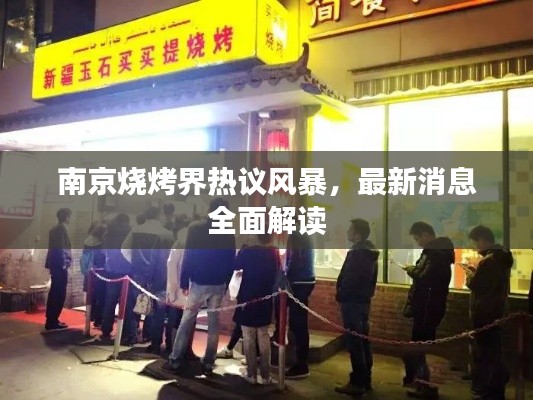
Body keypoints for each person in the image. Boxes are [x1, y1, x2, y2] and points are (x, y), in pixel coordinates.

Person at [164, 198, 236, 376]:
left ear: (210, 209)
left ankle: (175, 359)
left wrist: (184, 281)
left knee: (187, 320)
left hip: (199, 282)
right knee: (214, 324)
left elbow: (189, 256)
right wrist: (226, 284)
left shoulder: (196, 228)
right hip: (218, 283)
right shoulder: (227, 232)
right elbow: (231, 261)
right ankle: (209, 363)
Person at [402, 221, 454, 399]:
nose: (417, 243)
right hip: (427, 306)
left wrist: (411, 269)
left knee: (419, 347)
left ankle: (425, 386)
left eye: (418, 239)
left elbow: (425, 277)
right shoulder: (437, 253)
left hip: (427, 307)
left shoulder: (436, 254)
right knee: (419, 347)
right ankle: (421, 384)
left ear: (426, 234)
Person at [466, 226, 513, 400]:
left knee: (486, 354)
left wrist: (469, 275)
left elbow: (475, 285)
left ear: (483, 239)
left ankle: (489, 391)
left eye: (476, 242)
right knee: (494, 352)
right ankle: (496, 390)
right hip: (497, 311)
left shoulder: (488, 261)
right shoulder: (503, 258)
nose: (476, 247)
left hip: (484, 312)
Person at [334, 219, 379, 397]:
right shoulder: (368, 252)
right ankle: (365, 378)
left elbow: (351, 279)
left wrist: (341, 294)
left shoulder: (358, 253)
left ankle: (358, 382)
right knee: (363, 340)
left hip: (352, 302)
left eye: (350, 229)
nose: (347, 232)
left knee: (355, 342)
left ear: (358, 234)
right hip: (362, 301)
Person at [121, 207, 174, 346]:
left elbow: (124, 248)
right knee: (154, 306)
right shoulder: (165, 232)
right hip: (158, 273)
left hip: (138, 271)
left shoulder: (135, 230)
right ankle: (148, 335)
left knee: (134, 303)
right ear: (159, 215)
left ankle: (131, 335)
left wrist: (134, 261)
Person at [235, 233, 279, 385]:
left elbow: (235, 266)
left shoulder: (247, 252)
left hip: (247, 298)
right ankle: (266, 376)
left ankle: (251, 374)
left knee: (248, 337)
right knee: (263, 336)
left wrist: (243, 246)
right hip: (266, 298)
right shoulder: (273, 252)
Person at [273, 228, 315, 379]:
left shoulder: (296, 235)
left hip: (298, 282)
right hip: (306, 280)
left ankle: (301, 364)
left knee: (298, 324)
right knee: (297, 322)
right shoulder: (305, 234)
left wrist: (286, 278)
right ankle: (281, 337)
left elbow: (295, 259)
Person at [100, 214, 131, 341]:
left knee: (110, 301)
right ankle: (125, 333)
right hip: (127, 271)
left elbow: (103, 251)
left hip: (111, 270)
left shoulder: (108, 232)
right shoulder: (130, 231)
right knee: (127, 303)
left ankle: (106, 330)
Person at [44, 208, 72, 331]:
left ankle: (51, 319)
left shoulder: (54, 229)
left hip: (54, 264)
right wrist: (64, 264)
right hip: (60, 265)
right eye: (69, 216)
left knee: (54, 292)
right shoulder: (61, 229)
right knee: (59, 293)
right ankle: (53, 320)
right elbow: (61, 248)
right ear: (66, 217)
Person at [80, 221, 107, 328]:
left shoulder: (87, 241)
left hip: (89, 272)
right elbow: (103, 258)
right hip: (100, 273)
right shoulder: (101, 244)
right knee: (101, 296)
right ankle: (98, 320)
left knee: (92, 295)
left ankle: (90, 315)